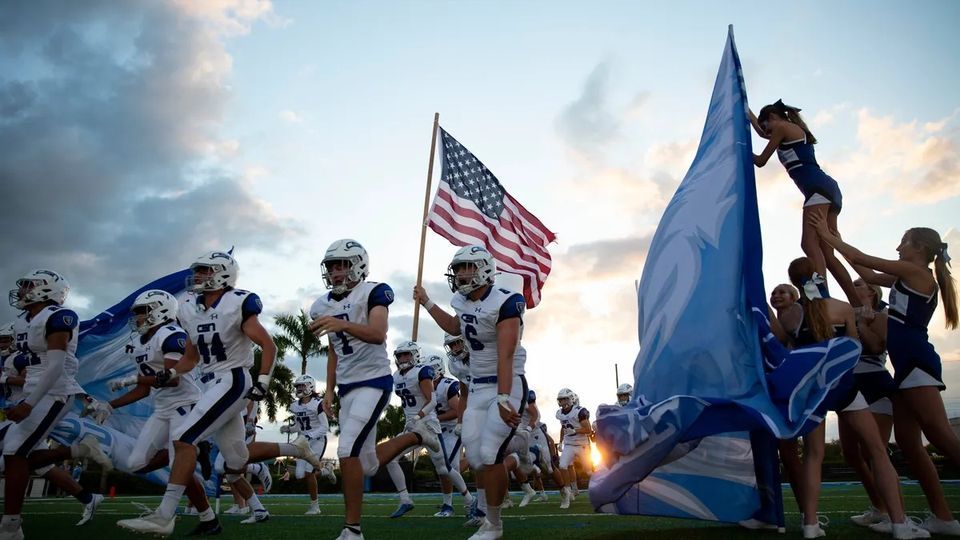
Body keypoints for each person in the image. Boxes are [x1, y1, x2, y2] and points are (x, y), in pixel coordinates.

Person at [811, 219, 960, 536]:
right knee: (909, 445)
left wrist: (826, 236)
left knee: (941, 437)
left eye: (903, 242)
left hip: (918, 362)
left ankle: (943, 517)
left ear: (919, 248)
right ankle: (944, 518)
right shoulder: (904, 276)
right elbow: (863, 274)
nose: (898, 247)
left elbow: (864, 260)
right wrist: (834, 241)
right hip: (904, 367)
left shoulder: (918, 273)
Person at [116, 252, 279, 535]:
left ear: (222, 273)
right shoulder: (190, 307)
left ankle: (164, 515)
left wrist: (262, 381)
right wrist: (171, 372)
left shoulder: (237, 302)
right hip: (211, 382)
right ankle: (211, 519)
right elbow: (190, 358)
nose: (198, 277)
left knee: (183, 438)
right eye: (199, 271)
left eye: (204, 271)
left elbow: (268, 344)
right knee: (234, 460)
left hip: (233, 378)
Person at [784, 257, 926, 539]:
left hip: (813, 391)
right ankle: (899, 524)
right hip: (846, 386)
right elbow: (855, 349)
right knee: (876, 450)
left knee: (813, 456)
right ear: (818, 277)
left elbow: (790, 351)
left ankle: (810, 524)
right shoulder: (843, 308)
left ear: (793, 282)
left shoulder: (789, 315)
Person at [309, 239, 438, 540]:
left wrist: (341, 326)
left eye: (341, 265)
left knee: (345, 450)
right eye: (331, 266)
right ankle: (418, 436)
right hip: (347, 387)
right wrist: (328, 391)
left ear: (358, 265)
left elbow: (378, 334)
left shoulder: (373, 292)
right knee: (366, 464)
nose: (335, 272)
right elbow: (333, 352)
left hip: (374, 381)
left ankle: (352, 529)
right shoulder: (321, 305)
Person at [414, 244, 528, 540]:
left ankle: (494, 523)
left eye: (468, 267)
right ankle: (498, 497)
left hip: (507, 383)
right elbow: (456, 326)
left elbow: (505, 354)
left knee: (490, 452)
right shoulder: (460, 301)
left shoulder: (507, 301)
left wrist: (503, 397)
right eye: (459, 269)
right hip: (477, 387)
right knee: (477, 458)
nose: (462, 274)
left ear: (485, 269)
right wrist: (427, 303)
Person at [0, 269, 92, 540]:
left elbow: (55, 367)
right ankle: (12, 525)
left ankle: (10, 526)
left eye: (30, 286)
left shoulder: (58, 316)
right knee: (16, 453)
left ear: (47, 289)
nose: (24, 290)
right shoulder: (23, 321)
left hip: (55, 391)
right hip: (35, 389)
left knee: (15, 451)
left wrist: (28, 403)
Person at [750, 100, 859, 307]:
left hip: (817, 190)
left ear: (773, 118)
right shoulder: (788, 128)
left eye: (766, 126)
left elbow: (761, 160)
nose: (766, 132)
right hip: (828, 190)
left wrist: (738, 149)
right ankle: (859, 306)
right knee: (828, 253)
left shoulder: (782, 127)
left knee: (808, 244)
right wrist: (747, 112)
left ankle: (821, 296)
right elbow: (762, 133)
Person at [383, 341, 442, 518]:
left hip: (427, 424)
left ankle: (469, 500)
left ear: (415, 354)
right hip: (411, 426)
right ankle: (405, 500)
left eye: (406, 354)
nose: (403, 358)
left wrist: (417, 417)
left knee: (445, 470)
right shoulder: (396, 375)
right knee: (391, 458)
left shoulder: (422, 371)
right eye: (400, 355)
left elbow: (432, 401)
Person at [423, 353, 475, 517]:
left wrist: (435, 418)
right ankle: (447, 506)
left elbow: (457, 409)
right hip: (436, 429)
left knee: (447, 467)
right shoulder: (425, 386)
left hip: (452, 429)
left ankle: (470, 501)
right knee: (442, 469)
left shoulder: (447, 385)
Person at [281, 374, 331, 516]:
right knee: (299, 475)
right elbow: (299, 426)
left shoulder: (318, 403)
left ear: (310, 386)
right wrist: (290, 429)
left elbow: (324, 427)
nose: (299, 389)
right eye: (298, 386)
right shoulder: (295, 406)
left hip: (317, 440)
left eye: (302, 386)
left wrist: (310, 435)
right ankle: (327, 471)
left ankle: (315, 506)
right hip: (303, 441)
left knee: (309, 473)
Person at [555, 388, 591, 509]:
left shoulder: (579, 412)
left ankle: (599, 489)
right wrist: (560, 441)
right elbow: (563, 427)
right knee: (562, 466)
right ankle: (567, 492)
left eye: (565, 398)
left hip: (582, 445)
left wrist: (575, 430)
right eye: (561, 399)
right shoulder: (560, 413)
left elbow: (588, 430)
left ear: (572, 399)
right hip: (569, 444)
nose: (563, 401)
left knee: (589, 471)